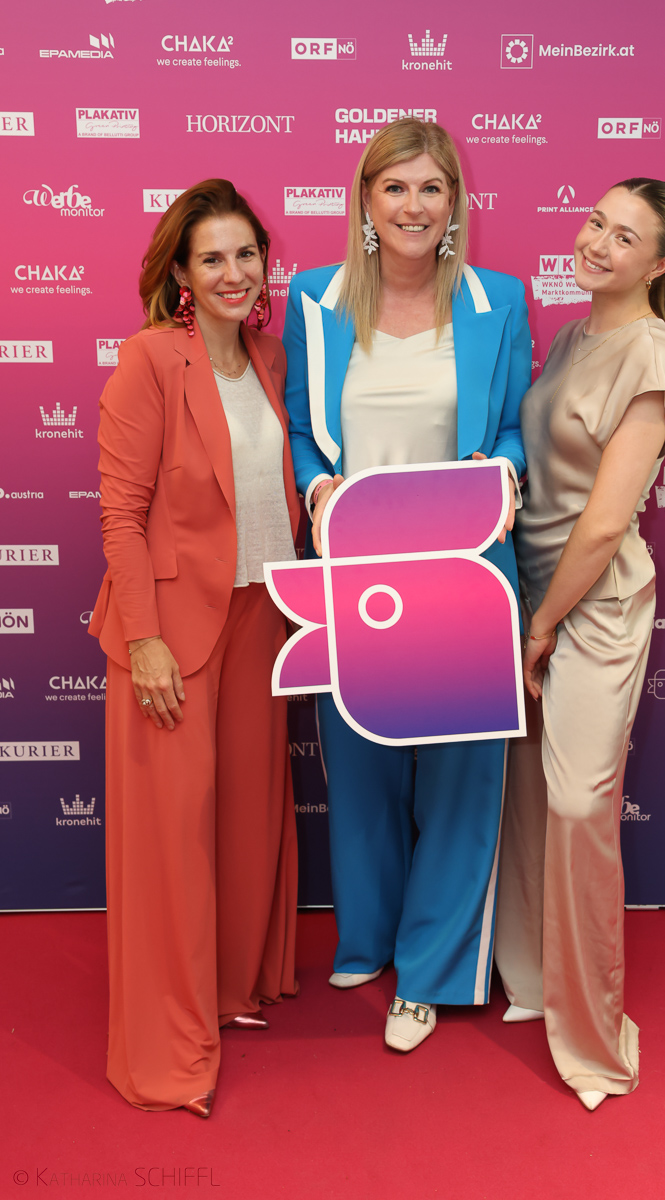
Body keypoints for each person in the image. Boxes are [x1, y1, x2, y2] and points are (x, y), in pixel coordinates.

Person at [283, 117, 530, 1052]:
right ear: (366, 200)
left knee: (462, 778)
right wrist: (317, 487)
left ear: (454, 202)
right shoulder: (315, 299)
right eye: (395, 187)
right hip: (355, 571)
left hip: (464, 571)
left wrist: (503, 473)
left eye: (431, 188)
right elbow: (303, 428)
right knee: (360, 766)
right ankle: (369, 937)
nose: (413, 206)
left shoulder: (498, 300)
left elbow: (511, 427)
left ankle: (428, 975)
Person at [89, 179, 301, 1116]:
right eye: (211, 257)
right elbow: (120, 516)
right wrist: (143, 640)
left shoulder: (270, 357)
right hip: (171, 631)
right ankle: (168, 1054)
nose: (232, 272)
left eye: (246, 254)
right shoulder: (148, 360)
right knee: (171, 844)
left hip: (261, 617)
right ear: (180, 271)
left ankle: (224, 991)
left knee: (246, 822)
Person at [494, 178, 665, 1109]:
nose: (597, 244)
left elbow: (606, 522)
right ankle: (536, 980)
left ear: (659, 265)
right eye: (595, 223)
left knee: (577, 804)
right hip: (527, 591)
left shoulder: (651, 353)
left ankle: (594, 1034)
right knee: (529, 797)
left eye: (624, 238)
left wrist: (542, 628)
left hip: (594, 609)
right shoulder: (575, 333)